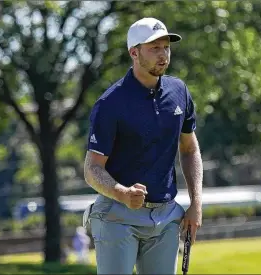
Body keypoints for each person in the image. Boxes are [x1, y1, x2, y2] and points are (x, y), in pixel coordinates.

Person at [83, 17, 203, 275]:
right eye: (154, 48)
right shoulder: (110, 104)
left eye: (166, 47)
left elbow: (190, 149)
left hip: (165, 216)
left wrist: (196, 204)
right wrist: (122, 193)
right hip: (117, 215)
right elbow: (92, 169)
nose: (163, 55)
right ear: (134, 53)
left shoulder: (179, 91)